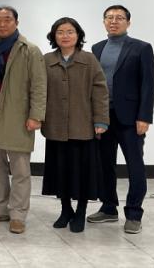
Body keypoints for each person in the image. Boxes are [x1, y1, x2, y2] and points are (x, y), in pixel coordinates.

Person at [0, 6, 46, 234]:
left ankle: (18, 214)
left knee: (20, 168)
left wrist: (36, 116)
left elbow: (39, 85)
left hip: (18, 117)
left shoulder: (29, 50)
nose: (2, 24)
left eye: (7, 19)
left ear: (16, 22)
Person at [87, 5, 154, 234]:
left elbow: (148, 84)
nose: (113, 21)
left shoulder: (141, 48)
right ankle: (108, 208)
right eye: (109, 17)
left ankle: (134, 213)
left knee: (135, 166)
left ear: (128, 22)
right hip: (103, 118)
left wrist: (144, 116)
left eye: (119, 18)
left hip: (130, 119)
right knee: (104, 165)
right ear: (104, 22)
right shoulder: (97, 48)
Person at [42, 17, 109, 233]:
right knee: (60, 171)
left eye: (70, 32)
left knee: (82, 173)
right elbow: (38, 91)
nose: (65, 36)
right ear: (54, 36)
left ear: (78, 35)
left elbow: (100, 90)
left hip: (83, 126)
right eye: (60, 32)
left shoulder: (89, 59)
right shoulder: (46, 60)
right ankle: (65, 210)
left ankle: (80, 211)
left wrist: (101, 120)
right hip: (55, 126)